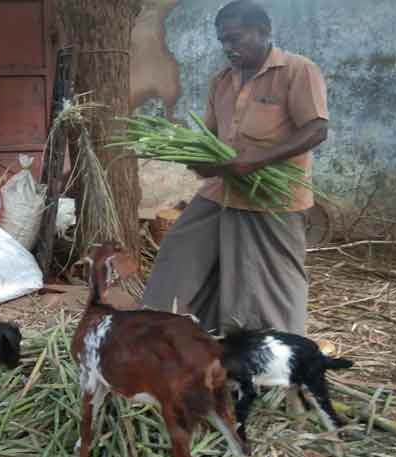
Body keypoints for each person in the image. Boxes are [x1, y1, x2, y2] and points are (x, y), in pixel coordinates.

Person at [141, 0, 329, 336]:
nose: (228, 48)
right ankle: (166, 332)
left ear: (264, 32)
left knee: (269, 280)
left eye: (235, 39)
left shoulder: (297, 70)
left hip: (272, 196)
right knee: (179, 252)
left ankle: (277, 348)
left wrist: (255, 161)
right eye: (223, 41)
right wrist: (201, 159)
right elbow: (212, 137)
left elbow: (316, 129)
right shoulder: (222, 80)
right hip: (222, 190)